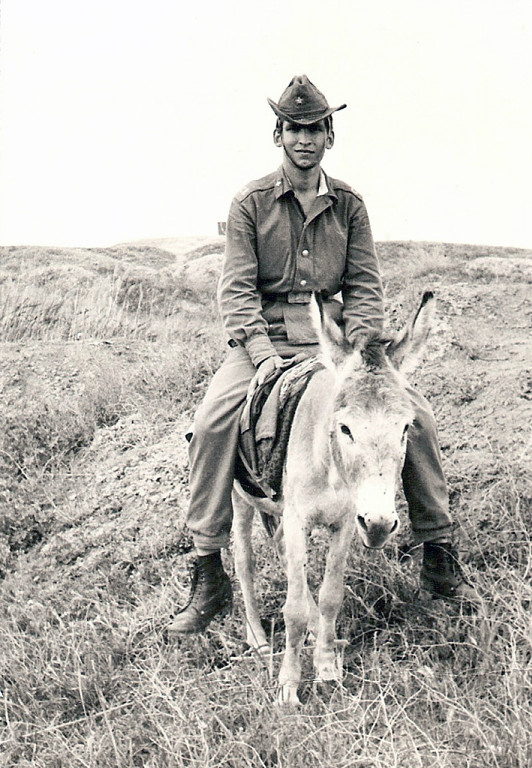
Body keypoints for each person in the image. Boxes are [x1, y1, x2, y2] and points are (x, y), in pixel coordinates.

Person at [167, 75, 476, 634]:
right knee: (213, 422)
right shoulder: (250, 203)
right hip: (264, 337)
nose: (304, 139)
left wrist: (364, 358)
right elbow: (236, 291)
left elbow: (363, 288)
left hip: (334, 343)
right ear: (279, 134)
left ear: (329, 135)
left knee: (417, 416)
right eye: (294, 128)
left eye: (314, 129)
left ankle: (437, 552)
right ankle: (207, 568)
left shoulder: (351, 206)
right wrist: (261, 356)